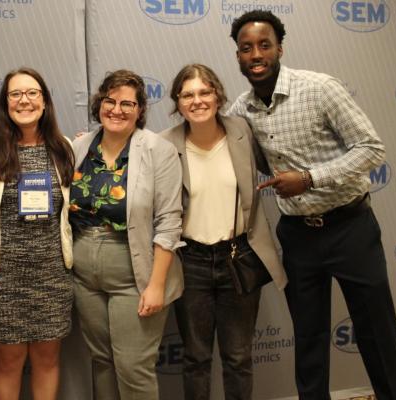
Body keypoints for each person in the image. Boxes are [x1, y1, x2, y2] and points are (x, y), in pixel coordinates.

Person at [229, 10, 396, 400]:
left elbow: (371, 149)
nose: (256, 54)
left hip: (351, 228)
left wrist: (310, 178)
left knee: (377, 332)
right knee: (308, 339)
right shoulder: (241, 111)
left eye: (264, 45)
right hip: (298, 237)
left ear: (280, 49)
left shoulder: (319, 88)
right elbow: (219, 146)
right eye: (246, 48)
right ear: (238, 55)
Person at [160, 64, 287, 400]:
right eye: (188, 95)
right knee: (196, 357)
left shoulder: (242, 131)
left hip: (238, 257)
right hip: (190, 262)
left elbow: (278, 154)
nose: (197, 101)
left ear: (218, 96)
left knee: (238, 357)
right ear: (177, 102)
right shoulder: (164, 144)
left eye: (204, 92)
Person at [69, 69, 184, 400]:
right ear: (99, 104)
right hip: (84, 277)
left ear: (140, 109)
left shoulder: (158, 150)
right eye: (110, 101)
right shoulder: (79, 147)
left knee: (133, 367)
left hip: (136, 275)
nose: (116, 110)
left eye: (127, 104)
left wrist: (156, 285)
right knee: (102, 361)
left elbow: (169, 221)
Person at [0, 67, 74, 400]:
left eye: (32, 93)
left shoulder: (63, 148)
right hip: (2, 277)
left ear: (44, 101)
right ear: (5, 102)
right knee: (8, 362)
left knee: (47, 360)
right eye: (15, 94)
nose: (24, 101)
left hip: (52, 275)